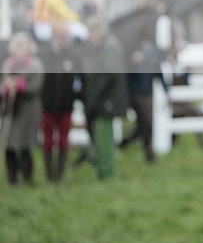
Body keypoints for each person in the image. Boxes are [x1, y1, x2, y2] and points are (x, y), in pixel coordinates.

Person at [82, 16, 129, 180]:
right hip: (106, 99)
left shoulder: (108, 47)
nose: (89, 37)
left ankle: (107, 171)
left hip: (107, 100)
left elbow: (108, 75)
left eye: (90, 32)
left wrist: (94, 96)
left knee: (104, 137)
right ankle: (104, 170)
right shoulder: (106, 46)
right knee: (103, 136)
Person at [39, 21, 83, 182]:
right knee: (48, 140)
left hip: (66, 105)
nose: (61, 39)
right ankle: (50, 175)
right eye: (58, 36)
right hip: (47, 106)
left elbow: (80, 80)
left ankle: (60, 174)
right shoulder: (43, 55)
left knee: (64, 140)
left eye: (64, 36)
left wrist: (76, 97)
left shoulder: (73, 55)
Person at [1, 32, 44, 185]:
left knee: (25, 145)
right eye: (16, 47)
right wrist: (6, 87)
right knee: (9, 145)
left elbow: (35, 86)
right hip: (10, 111)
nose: (19, 50)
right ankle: (12, 178)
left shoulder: (35, 65)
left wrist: (20, 86)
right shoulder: (7, 65)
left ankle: (27, 177)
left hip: (28, 111)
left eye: (22, 47)